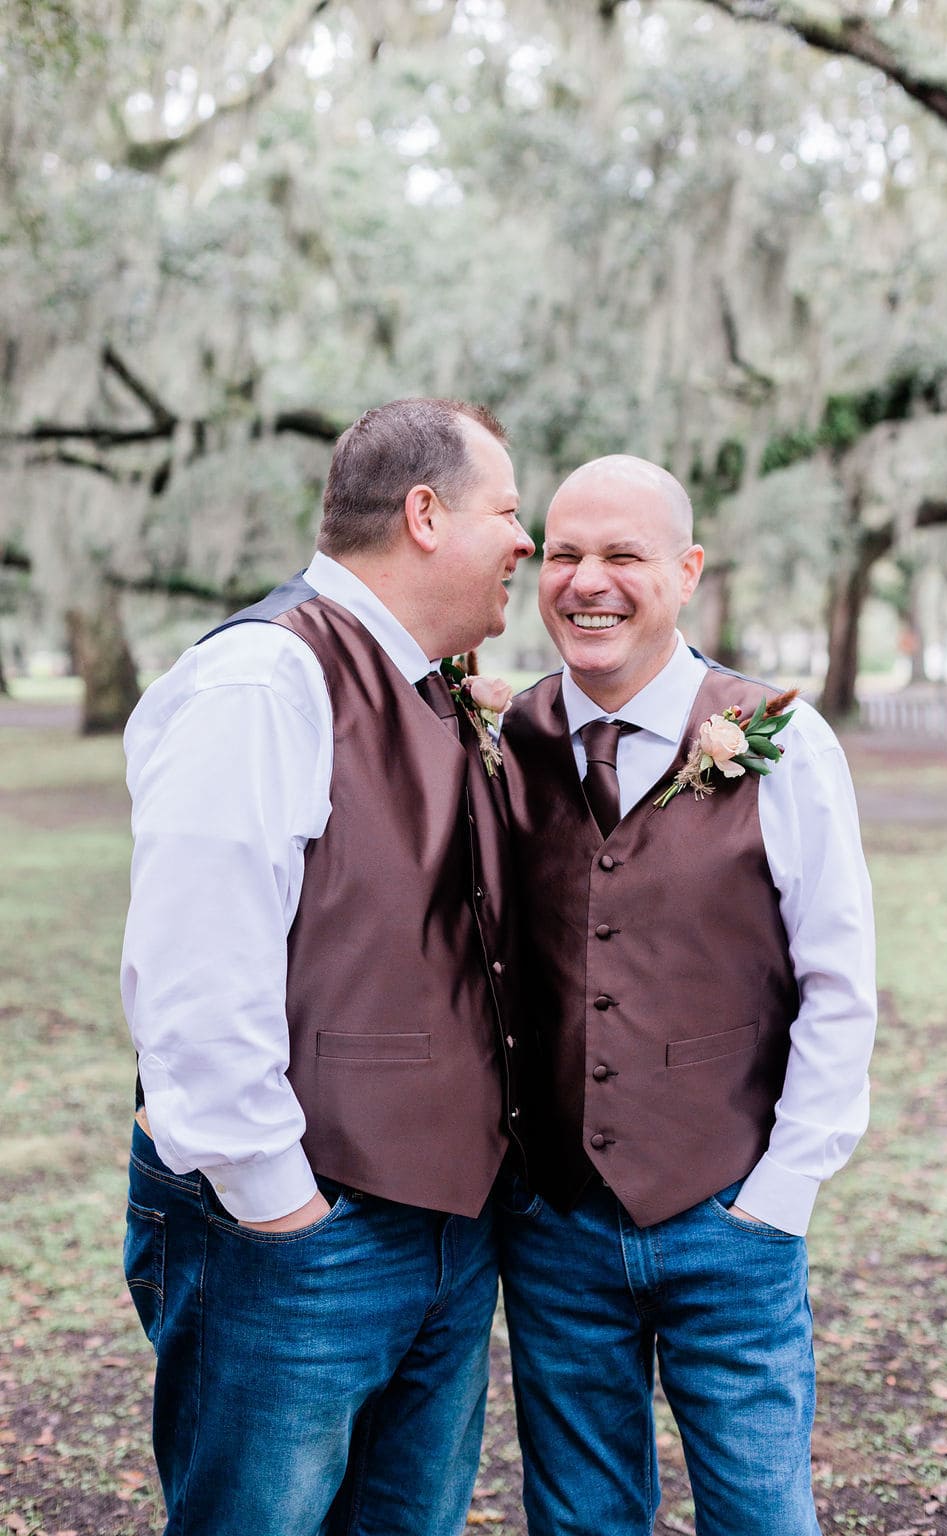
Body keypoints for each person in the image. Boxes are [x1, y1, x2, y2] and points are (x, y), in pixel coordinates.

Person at [120, 397, 535, 1536]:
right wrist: (285, 1213)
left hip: (445, 1232)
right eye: (507, 510)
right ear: (424, 514)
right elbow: (196, 978)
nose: (526, 541)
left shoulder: (432, 685)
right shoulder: (265, 680)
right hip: (303, 1238)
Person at [498, 454, 876, 1536]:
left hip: (730, 1214)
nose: (588, 581)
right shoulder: (506, 740)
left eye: (623, 555)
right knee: (579, 1522)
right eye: (563, 554)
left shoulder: (783, 741)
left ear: (687, 571)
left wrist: (781, 1194)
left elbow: (838, 980)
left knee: (761, 1515)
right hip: (556, 1225)